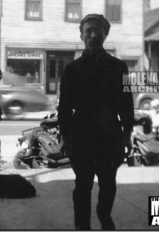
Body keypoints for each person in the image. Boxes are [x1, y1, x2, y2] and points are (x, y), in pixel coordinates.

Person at [58, 14, 134, 230]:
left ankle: (103, 213)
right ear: (81, 35)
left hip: (110, 134)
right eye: (88, 31)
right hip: (80, 135)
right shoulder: (71, 70)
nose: (93, 35)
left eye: (98, 31)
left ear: (105, 35)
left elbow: (126, 104)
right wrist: (64, 136)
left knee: (108, 183)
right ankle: (82, 226)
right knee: (82, 184)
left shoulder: (119, 67)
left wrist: (128, 133)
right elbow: (64, 106)